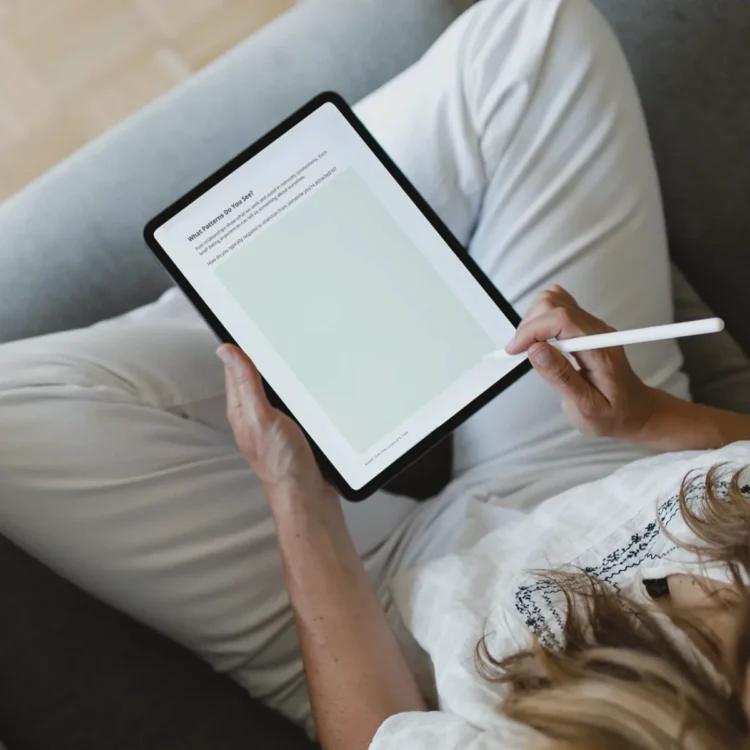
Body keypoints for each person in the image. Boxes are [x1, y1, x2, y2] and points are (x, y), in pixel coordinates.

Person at [0, 0, 747, 747]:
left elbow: (373, 734)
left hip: (390, 625)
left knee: (12, 410)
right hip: (596, 458)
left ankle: (255, 297)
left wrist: (297, 498)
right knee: (532, 38)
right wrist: (644, 417)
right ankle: (263, 285)